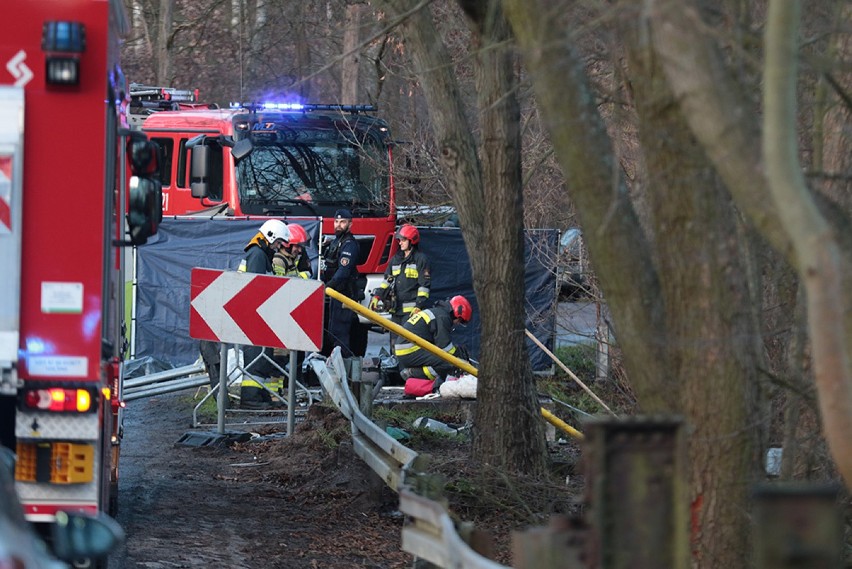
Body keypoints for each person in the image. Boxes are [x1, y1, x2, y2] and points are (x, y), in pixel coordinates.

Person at [237, 219, 291, 409]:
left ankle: (259, 396)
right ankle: (250, 398)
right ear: (269, 237)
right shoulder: (257, 255)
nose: (278, 247)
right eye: (277, 243)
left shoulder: (260, 254)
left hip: (260, 315)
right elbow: (255, 289)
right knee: (255, 356)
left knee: (263, 356)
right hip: (254, 316)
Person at [393, 295, 473, 392]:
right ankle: (413, 373)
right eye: (459, 320)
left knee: (442, 360)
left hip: (407, 348)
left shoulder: (438, 313)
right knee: (447, 363)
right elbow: (444, 347)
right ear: (456, 312)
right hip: (410, 349)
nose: (457, 323)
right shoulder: (443, 317)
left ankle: (417, 376)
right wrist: (459, 355)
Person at [369, 224, 431, 328]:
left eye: (403, 240)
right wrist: (377, 296)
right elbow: (387, 281)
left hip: (411, 313)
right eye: (399, 240)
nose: (400, 242)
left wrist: (419, 306)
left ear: (412, 240)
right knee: (394, 343)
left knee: (407, 342)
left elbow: (424, 286)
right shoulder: (395, 259)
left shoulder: (421, 259)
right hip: (395, 310)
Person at [320, 209, 362, 361]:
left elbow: (343, 271)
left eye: (342, 222)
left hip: (343, 294)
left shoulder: (349, 244)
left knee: (340, 331)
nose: (338, 225)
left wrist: (327, 287)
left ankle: (344, 366)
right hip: (333, 294)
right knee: (331, 331)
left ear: (350, 224)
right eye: (336, 222)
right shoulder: (335, 242)